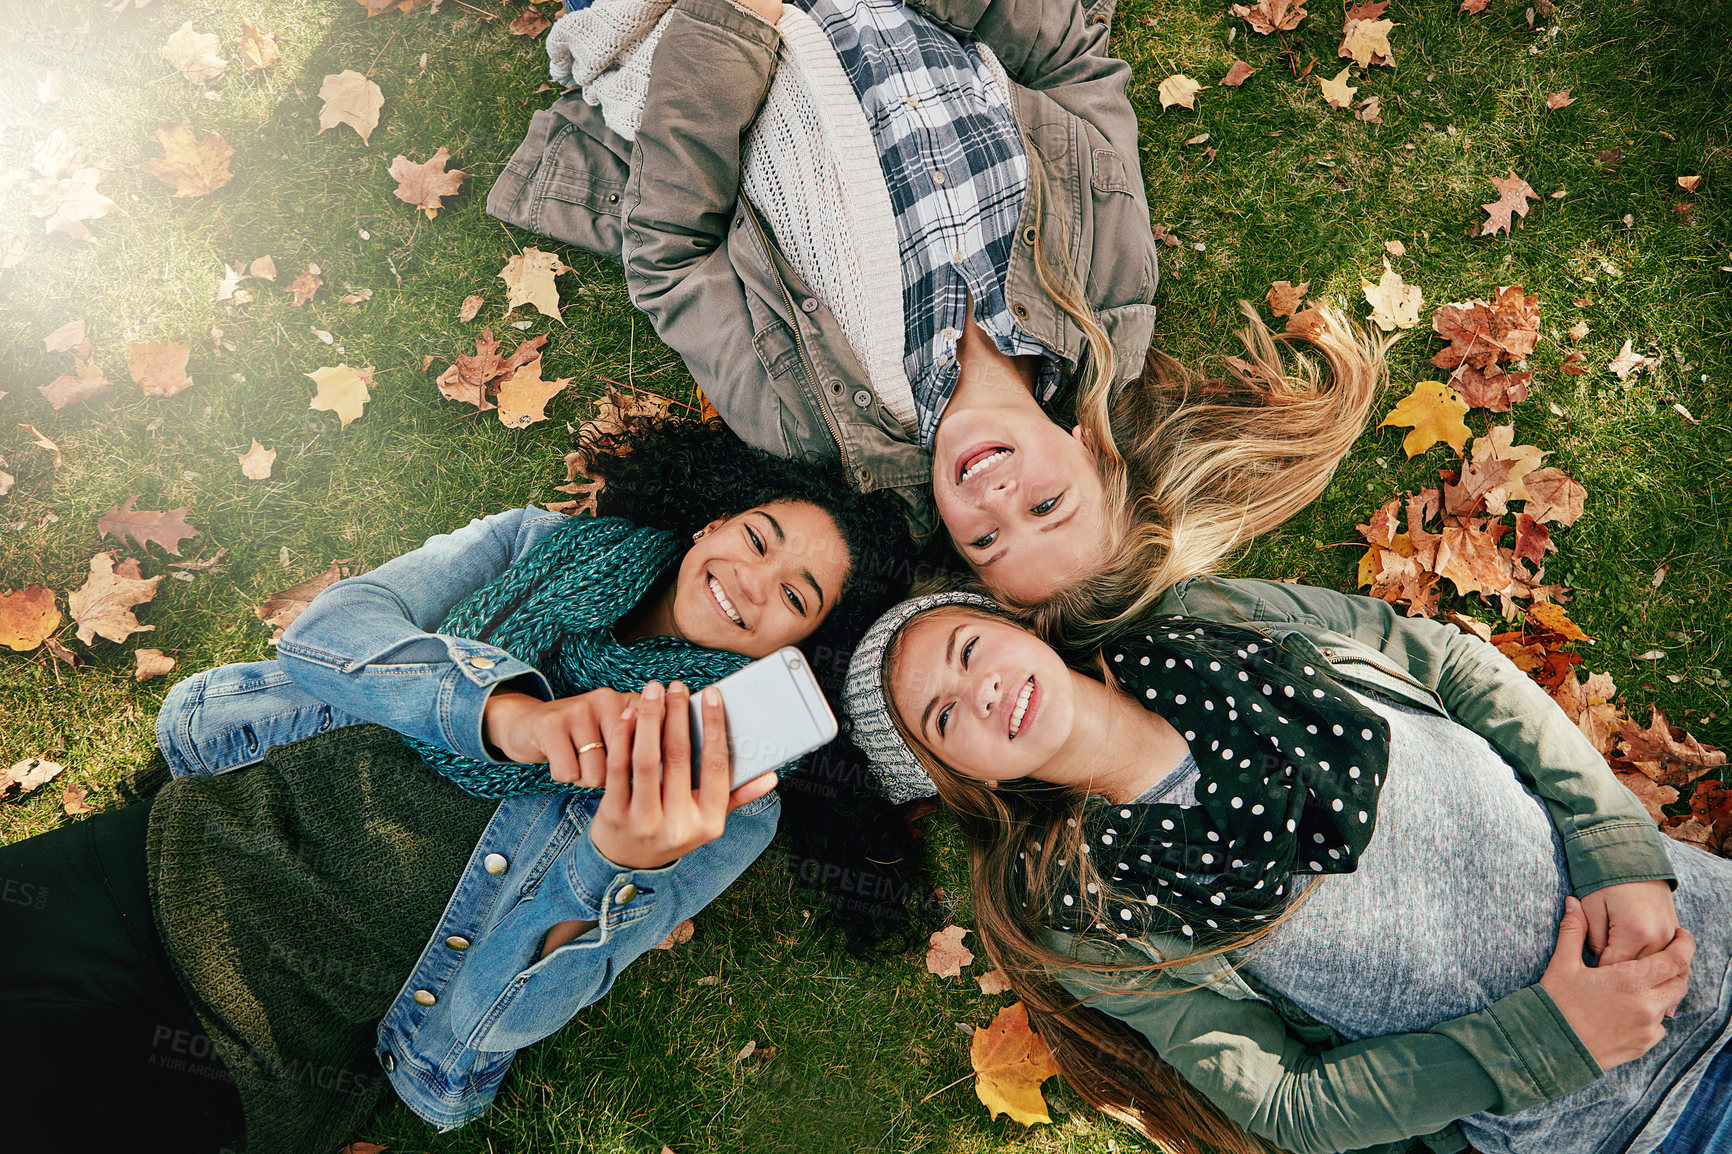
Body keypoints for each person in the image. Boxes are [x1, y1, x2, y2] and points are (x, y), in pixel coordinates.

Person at [0, 420, 916, 1154]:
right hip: (151, 858)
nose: (750, 583)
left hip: (247, 1045)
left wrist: (614, 865)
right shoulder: (538, 544)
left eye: (795, 598)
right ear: (714, 523)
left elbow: (499, 1016)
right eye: (757, 539)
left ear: (796, 652)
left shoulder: (733, 803)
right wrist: (508, 715)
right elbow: (333, 631)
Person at [490, 0, 1387, 616]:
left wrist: (734, 23)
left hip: (685, 32)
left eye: (989, 540)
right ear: (1093, 451)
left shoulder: (812, 418)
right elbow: (1074, 69)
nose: (996, 496)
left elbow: (670, 251)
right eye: (1047, 505)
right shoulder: (1108, 306)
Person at [840, 582, 1730, 1154]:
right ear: (966, 781)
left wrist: (1618, 853)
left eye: (968, 651)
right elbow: (1290, 1104)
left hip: (1706, 925)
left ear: (1015, 623)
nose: (982, 691)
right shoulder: (1093, 916)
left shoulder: (1210, 622)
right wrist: (1545, 1041)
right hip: (1638, 1126)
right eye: (945, 718)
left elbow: (1449, 662)